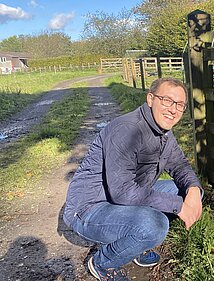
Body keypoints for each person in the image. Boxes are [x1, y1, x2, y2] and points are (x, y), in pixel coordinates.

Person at [63, 77, 203, 281]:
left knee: (191, 194)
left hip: (121, 200)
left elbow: (180, 165)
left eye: (180, 105)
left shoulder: (164, 132)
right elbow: (123, 192)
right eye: (167, 100)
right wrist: (178, 206)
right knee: (155, 225)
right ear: (150, 99)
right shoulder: (127, 130)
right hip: (90, 209)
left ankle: (135, 243)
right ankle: (103, 262)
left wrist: (192, 191)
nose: (173, 109)